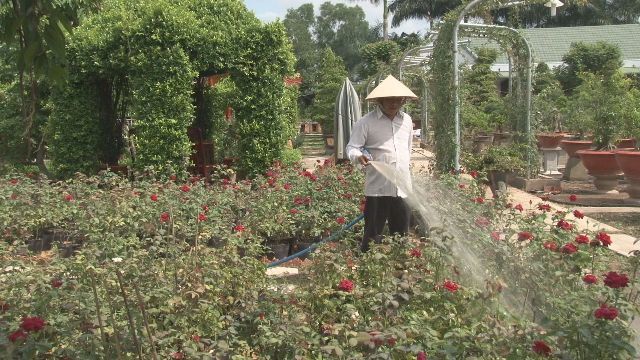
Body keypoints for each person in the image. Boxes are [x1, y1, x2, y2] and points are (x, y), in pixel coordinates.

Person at [346, 75, 417, 252]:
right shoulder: (366, 122)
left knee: (401, 232)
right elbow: (352, 147)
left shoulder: (406, 120)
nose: (394, 103)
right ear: (380, 100)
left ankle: (400, 265)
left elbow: (407, 149)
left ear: (403, 101)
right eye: (389, 100)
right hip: (378, 188)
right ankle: (368, 267)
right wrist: (358, 156)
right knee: (373, 232)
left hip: (402, 186)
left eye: (398, 100)